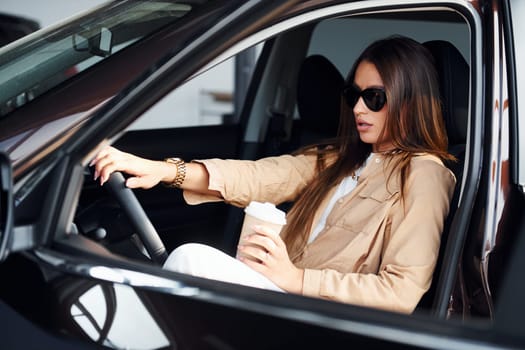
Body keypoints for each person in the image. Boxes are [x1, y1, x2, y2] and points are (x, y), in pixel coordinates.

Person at [91, 36, 456, 314]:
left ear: (410, 101)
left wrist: (296, 280)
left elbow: (401, 293)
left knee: (190, 259)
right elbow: (260, 177)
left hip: (324, 318)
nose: (358, 107)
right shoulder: (339, 159)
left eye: (375, 98)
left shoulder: (424, 175)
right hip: (281, 296)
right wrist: (163, 170)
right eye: (353, 95)